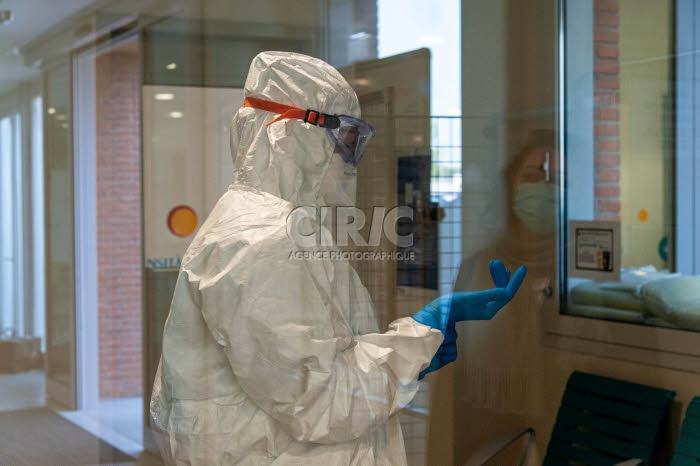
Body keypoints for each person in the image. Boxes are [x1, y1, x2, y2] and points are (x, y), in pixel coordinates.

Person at [150, 51, 526, 465]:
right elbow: (319, 401)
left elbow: (313, 363)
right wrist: (418, 337)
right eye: (346, 139)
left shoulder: (267, 227)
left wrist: (416, 345)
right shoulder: (263, 241)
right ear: (290, 134)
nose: (351, 160)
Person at [452, 129, 557, 465]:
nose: (545, 189)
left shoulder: (575, 272)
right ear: (511, 183)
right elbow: (453, 371)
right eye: (532, 176)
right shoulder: (476, 269)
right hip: (490, 434)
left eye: (557, 179)